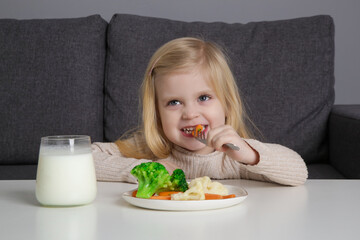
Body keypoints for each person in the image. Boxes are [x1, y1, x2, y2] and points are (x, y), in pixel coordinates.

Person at [92, 37, 308, 186]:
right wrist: (145, 170)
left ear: (227, 104)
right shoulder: (150, 150)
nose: (190, 114)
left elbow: (299, 172)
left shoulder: (233, 158)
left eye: (203, 98)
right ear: (157, 113)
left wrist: (250, 155)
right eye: (174, 102)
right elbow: (82, 158)